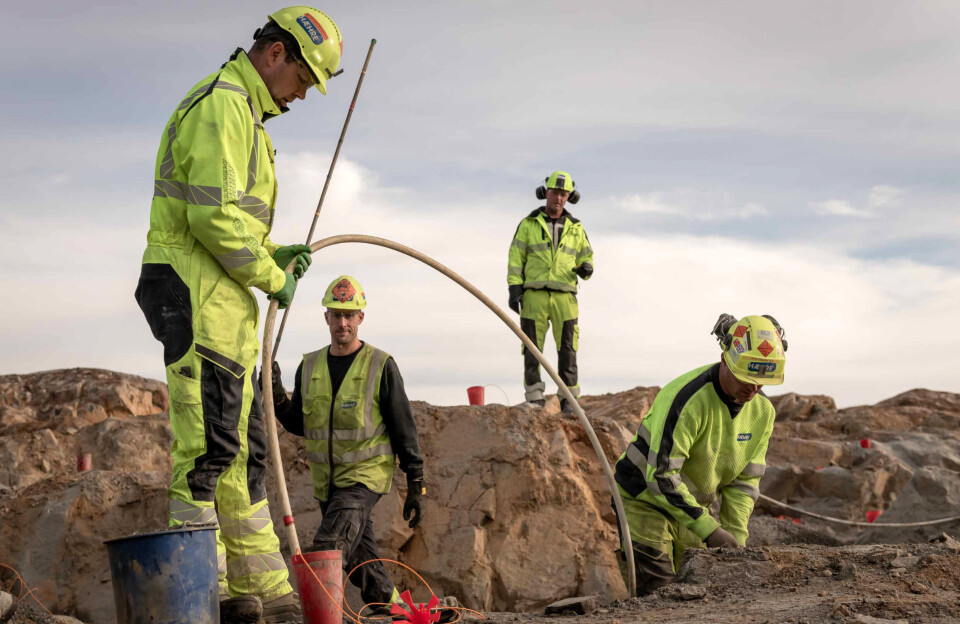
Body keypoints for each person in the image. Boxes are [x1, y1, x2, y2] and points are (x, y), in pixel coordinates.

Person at [134, 7, 343, 622]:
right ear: (275, 54)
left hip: (222, 304)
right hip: (196, 297)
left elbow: (233, 221)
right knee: (204, 457)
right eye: (304, 78)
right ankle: (204, 599)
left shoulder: (248, 118)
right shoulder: (223, 106)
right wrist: (273, 276)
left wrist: (273, 252)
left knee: (240, 455)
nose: (304, 93)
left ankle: (261, 595)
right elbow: (212, 219)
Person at [266, 275, 426, 615]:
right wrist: (277, 393)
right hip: (329, 484)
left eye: (349, 315)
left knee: (330, 547)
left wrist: (416, 482)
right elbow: (299, 423)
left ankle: (324, 619)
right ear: (326, 317)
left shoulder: (381, 365)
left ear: (360, 318)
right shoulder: (309, 366)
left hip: (364, 478)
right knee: (362, 561)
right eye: (336, 314)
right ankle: (399, 610)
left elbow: (403, 426)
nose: (342, 322)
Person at [612, 314, 788, 595]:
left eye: (761, 382)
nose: (753, 389)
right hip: (643, 499)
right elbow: (661, 476)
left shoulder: (762, 413)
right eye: (746, 378)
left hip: (689, 504)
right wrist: (710, 530)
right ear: (725, 359)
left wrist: (735, 539)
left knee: (695, 593)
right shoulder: (686, 399)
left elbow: (744, 484)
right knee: (658, 593)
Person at [506, 171, 594, 413]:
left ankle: (569, 400)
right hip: (533, 295)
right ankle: (534, 397)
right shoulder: (528, 224)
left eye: (563, 194)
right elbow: (516, 258)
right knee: (532, 348)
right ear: (545, 192)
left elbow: (587, 255)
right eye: (554, 192)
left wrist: (587, 268)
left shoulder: (576, 228)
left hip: (565, 297)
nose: (558, 198)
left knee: (568, 349)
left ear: (569, 197)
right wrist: (514, 287)